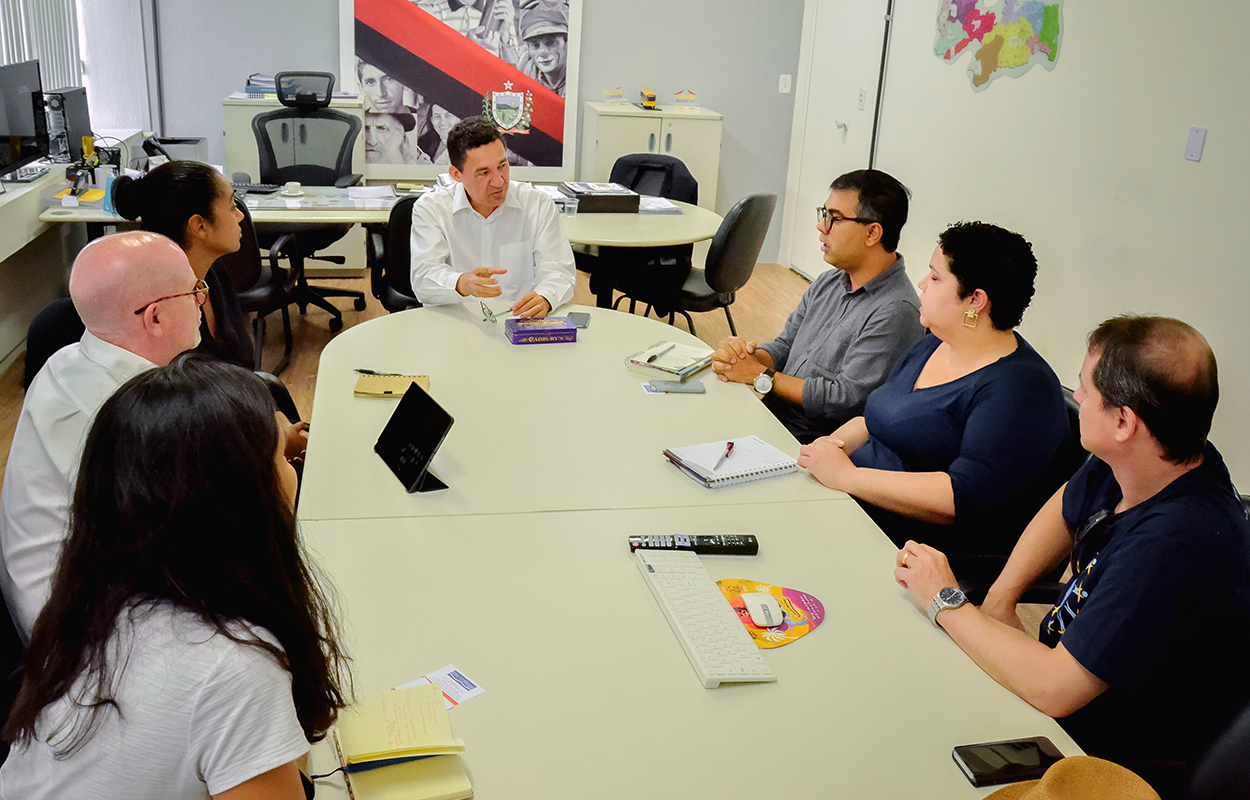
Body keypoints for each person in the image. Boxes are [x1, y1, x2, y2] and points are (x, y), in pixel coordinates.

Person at [895, 316, 1250, 797]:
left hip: (1099, 756)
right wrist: (1001, 599)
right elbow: (1064, 508)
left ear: (1124, 421)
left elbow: (1054, 689)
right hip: (1059, 686)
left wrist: (945, 600)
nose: (1076, 397)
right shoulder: (1154, 458)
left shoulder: (1174, 547)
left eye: (1084, 388)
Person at [0, 356, 351, 799]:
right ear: (241, 498)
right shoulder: (233, 667)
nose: (292, 468)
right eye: (280, 456)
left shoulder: (88, 610)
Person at [798, 221, 1072, 563]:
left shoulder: (1020, 390)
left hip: (913, 549)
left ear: (976, 300)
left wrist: (847, 477)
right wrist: (826, 450)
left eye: (936, 277)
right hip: (854, 507)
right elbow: (874, 418)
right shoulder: (933, 343)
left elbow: (960, 498)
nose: (922, 284)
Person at [0, 232, 204, 640]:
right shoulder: (130, 420)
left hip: (69, 590)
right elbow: (195, 548)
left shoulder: (67, 359)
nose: (202, 300)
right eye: (194, 290)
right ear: (155, 317)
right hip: (83, 640)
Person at [711, 170, 923, 443]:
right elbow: (786, 346)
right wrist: (744, 358)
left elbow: (843, 399)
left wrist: (759, 375)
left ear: (872, 233)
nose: (822, 227)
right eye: (824, 214)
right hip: (772, 416)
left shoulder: (896, 310)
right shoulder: (829, 281)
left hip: (811, 441)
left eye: (834, 219)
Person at [409, 116, 575, 317]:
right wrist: (462, 283)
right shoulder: (432, 209)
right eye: (483, 173)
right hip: (456, 322)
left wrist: (545, 298)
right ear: (456, 174)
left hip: (517, 321)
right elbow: (423, 278)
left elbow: (558, 270)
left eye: (502, 166)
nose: (498, 181)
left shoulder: (537, 205)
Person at [112, 160, 253, 368]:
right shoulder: (162, 313)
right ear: (200, 226)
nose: (240, 216)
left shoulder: (214, 274)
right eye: (232, 207)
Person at [517, 5, 568, 96]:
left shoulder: (578, 75)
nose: (543, 53)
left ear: (565, 40)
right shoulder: (524, 73)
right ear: (528, 48)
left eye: (550, 43)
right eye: (535, 45)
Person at [365, 111, 433, 165]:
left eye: (382, 129)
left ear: (401, 138)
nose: (372, 141)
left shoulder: (422, 166)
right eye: (365, 128)